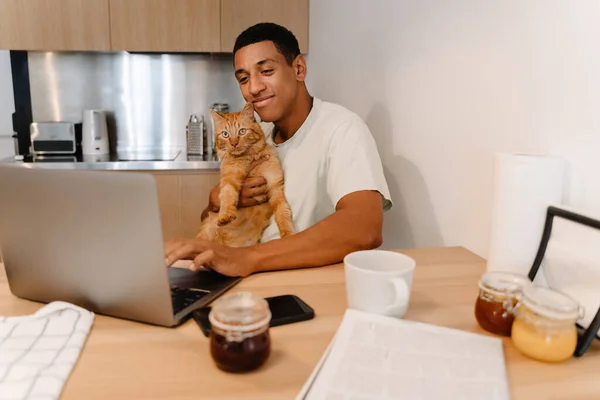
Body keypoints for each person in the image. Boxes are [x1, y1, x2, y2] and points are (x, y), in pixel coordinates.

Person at [164, 22, 392, 277]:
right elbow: (216, 220)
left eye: (266, 71)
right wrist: (215, 202)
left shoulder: (341, 128)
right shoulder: (256, 135)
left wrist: (246, 258)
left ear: (298, 68)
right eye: (243, 78)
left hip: (302, 284)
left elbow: (365, 228)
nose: (253, 88)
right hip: (244, 278)